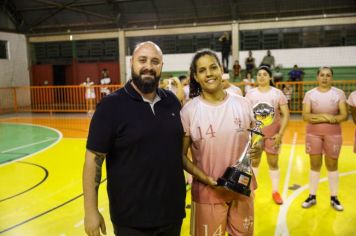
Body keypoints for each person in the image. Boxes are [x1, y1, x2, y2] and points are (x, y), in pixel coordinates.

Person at [82, 41, 186, 236]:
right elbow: (93, 160)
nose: (148, 66)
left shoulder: (171, 102)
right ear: (132, 63)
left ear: (161, 66)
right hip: (131, 219)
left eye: (155, 61)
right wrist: (90, 211)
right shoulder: (111, 106)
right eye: (142, 60)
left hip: (171, 214)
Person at [181, 48, 258, 236]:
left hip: (242, 190)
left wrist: (259, 149)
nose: (209, 73)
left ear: (221, 69)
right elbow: (180, 156)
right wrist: (204, 177)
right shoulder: (189, 111)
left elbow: (254, 140)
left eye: (213, 67)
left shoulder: (243, 104)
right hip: (208, 194)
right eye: (202, 70)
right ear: (196, 77)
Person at [301, 67, 348, 211]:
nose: (325, 78)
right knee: (314, 165)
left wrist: (325, 118)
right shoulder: (310, 94)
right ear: (317, 77)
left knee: (332, 165)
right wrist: (327, 117)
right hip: (313, 134)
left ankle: (334, 197)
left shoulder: (339, 93)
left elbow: (344, 116)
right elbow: (306, 116)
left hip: (333, 135)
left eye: (328, 75)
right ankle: (312, 196)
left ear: (331, 78)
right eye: (322, 75)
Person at [245, 65, 290, 205]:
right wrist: (249, 135)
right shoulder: (250, 94)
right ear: (256, 77)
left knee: (273, 163)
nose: (262, 76)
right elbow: (246, 115)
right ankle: (252, 191)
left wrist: (280, 134)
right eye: (259, 74)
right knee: (255, 162)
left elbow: (286, 114)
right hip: (256, 135)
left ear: (270, 77)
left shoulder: (277, 93)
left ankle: (275, 191)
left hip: (273, 136)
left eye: (265, 74)